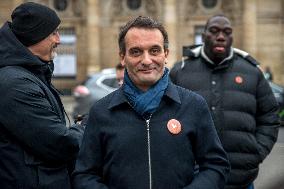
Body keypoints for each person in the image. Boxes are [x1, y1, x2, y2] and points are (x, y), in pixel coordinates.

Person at [72, 16, 230, 189]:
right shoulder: (101, 112)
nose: (146, 60)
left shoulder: (193, 105)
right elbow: (84, 175)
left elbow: (215, 166)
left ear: (166, 54)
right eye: (136, 52)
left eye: (154, 50)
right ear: (123, 57)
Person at [170, 14, 279, 189]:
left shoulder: (252, 72)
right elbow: (165, 118)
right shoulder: (180, 71)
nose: (220, 36)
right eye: (214, 31)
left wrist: (255, 153)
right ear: (204, 35)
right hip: (194, 181)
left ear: (232, 37)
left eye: (226, 32)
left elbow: (270, 117)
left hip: (241, 180)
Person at [0, 2, 84, 189]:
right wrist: (88, 126)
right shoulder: (14, 83)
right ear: (35, 36)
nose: (59, 39)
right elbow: (60, 143)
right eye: (53, 32)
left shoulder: (28, 74)